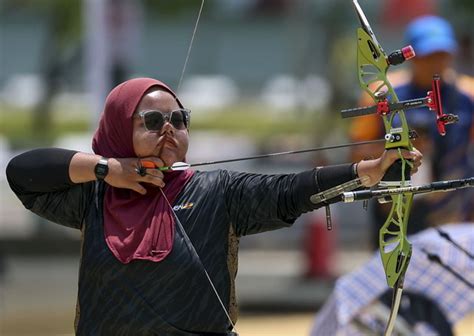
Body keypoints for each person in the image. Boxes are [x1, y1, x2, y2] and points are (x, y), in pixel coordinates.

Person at [6, 77, 422, 335]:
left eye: (179, 119)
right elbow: (22, 173)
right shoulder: (93, 198)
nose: (169, 129)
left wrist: (369, 170)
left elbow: (289, 192)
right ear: (119, 127)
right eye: (152, 121)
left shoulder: (218, 191)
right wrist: (106, 169)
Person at [349, 15, 474, 247]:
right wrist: (397, 149)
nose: (436, 62)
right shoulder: (382, 93)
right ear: (411, 56)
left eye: (442, 55)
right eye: (427, 55)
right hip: (394, 209)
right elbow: (357, 153)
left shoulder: (468, 95)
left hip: (452, 213)